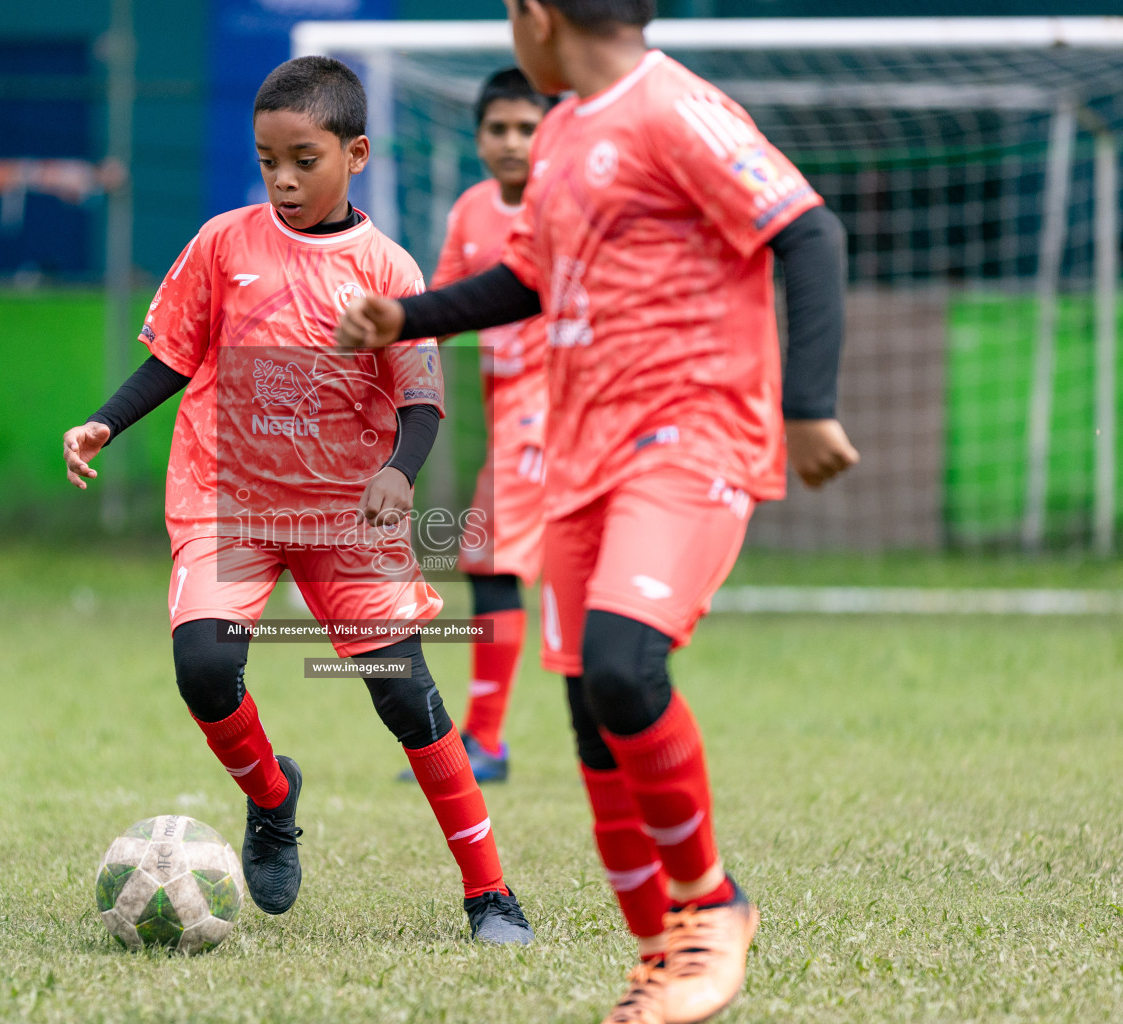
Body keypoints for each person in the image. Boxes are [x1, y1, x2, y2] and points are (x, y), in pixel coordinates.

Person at [336, 1, 859, 1020]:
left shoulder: (675, 110)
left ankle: (713, 904)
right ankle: (661, 955)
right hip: (583, 461)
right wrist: (411, 316)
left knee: (625, 666)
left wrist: (809, 406)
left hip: (691, 438)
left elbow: (810, 233)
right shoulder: (568, 127)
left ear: (537, 14)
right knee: (590, 719)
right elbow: (526, 279)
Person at [62, 56, 534, 945]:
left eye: (304, 159)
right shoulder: (223, 244)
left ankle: (489, 896)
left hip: (344, 516)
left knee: (406, 697)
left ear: (354, 154)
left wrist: (399, 469)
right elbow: (174, 356)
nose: (282, 178)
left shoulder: (387, 268)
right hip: (226, 499)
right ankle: (273, 800)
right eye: (267, 158)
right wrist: (103, 424)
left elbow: (422, 397)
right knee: (204, 668)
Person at [399, 68, 557, 787]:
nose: (514, 141)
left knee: (490, 558)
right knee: (537, 568)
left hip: (552, 411)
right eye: (499, 128)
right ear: (479, 138)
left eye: (528, 127)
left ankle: (487, 742)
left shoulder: (571, 204)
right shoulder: (471, 210)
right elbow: (447, 304)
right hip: (514, 414)